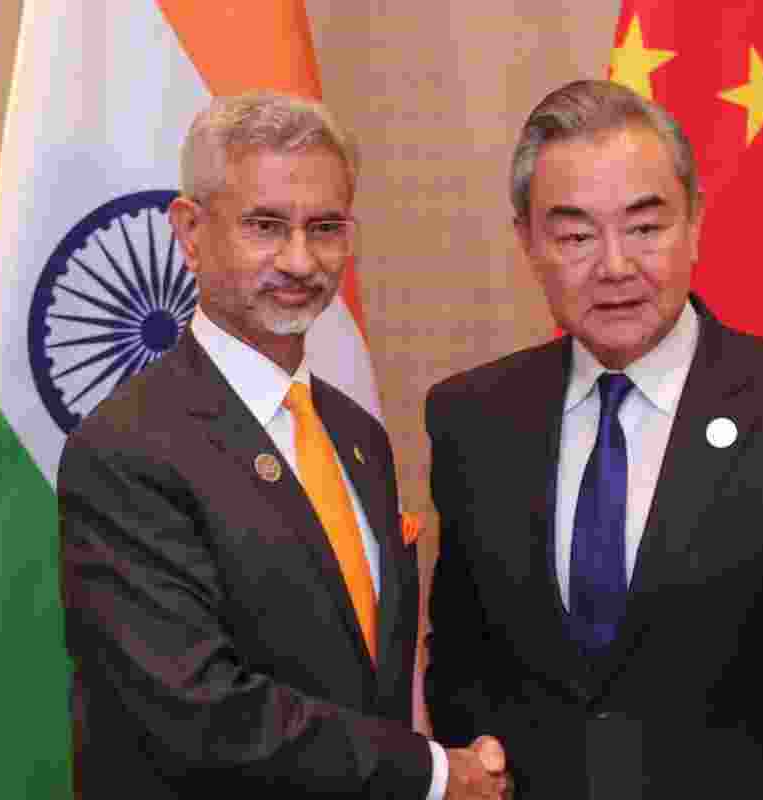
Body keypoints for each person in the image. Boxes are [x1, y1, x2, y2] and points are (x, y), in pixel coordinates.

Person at [424, 79, 763, 799]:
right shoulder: (472, 419)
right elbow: (462, 663)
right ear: (527, 242)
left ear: (696, 223)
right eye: (576, 236)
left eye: (646, 228)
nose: (615, 266)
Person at [60, 91, 508, 799]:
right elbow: (198, 711)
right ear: (190, 231)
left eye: (324, 228)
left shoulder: (356, 436)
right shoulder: (126, 450)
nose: (300, 261)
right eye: (265, 226)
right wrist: (432, 775)